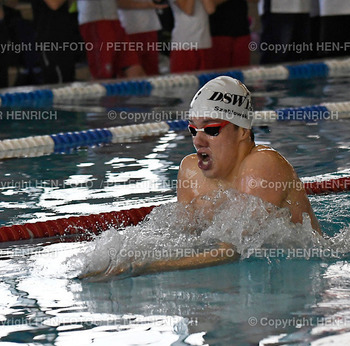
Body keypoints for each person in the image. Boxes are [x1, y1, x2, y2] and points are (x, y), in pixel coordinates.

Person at [81, 76, 321, 278]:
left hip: (299, 273)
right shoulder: (191, 172)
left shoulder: (263, 165)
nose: (198, 140)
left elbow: (232, 250)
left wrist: (144, 266)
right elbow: (181, 238)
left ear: (243, 132)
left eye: (212, 129)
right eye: (193, 129)